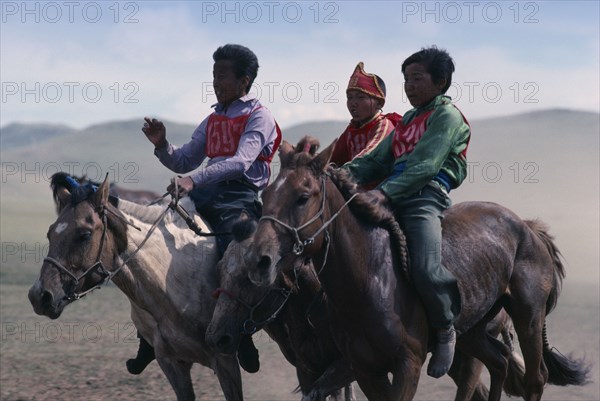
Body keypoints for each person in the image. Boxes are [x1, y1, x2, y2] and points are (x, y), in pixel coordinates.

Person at [131, 44, 281, 376]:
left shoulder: (259, 115)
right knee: (155, 242)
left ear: (244, 81)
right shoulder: (213, 118)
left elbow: (241, 162)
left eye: (222, 76)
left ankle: (240, 333)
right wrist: (161, 145)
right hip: (203, 192)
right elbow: (184, 159)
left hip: (237, 197)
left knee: (233, 254)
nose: (215, 82)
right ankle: (147, 338)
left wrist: (193, 180)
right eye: (213, 75)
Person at [342, 46, 470, 378]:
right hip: (394, 194)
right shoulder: (409, 120)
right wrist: (339, 176)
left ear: (440, 81)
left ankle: (444, 328)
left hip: (425, 196)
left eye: (416, 78)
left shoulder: (447, 116)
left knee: (426, 268)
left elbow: (425, 167)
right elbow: (376, 160)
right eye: (406, 79)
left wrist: (383, 193)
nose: (409, 86)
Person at [330, 62, 401, 187]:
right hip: (357, 191)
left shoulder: (384, 125)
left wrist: (338, 174)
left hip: (382, 194)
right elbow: (333, 157)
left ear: (379, 103)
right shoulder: (353, 129)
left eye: (360, 97)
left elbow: (369, 157)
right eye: (350, 97)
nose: (353, 103)